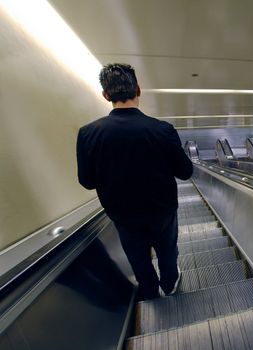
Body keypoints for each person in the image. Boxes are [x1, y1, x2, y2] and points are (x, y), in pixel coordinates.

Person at [76, 63, 193, 300]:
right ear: (138, 90)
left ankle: (148, 290)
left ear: (106, 95)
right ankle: (169, 283)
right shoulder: (162, 130)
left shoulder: (88, 133)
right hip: (163, 210)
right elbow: (185, 172)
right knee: (167, 250)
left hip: (123, 214)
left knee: (137, 255)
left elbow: (87, 181)